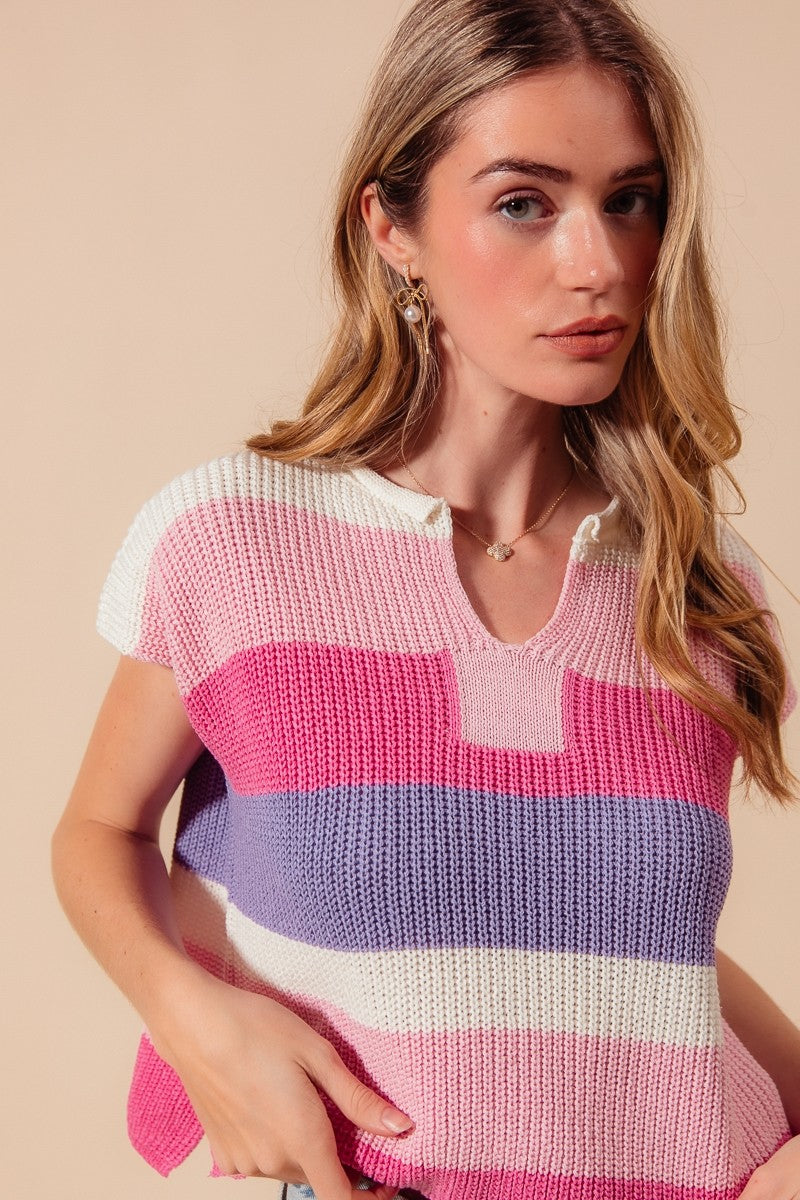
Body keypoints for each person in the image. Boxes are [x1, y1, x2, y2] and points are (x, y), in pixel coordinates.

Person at [51, 1, 800, 1199]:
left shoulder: (697, 583)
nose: (597, 262)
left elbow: (645, 967)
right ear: (391, 227)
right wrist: (198, 1029)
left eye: (629, 200)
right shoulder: (234, 541)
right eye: (523, 203)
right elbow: (98, 833)